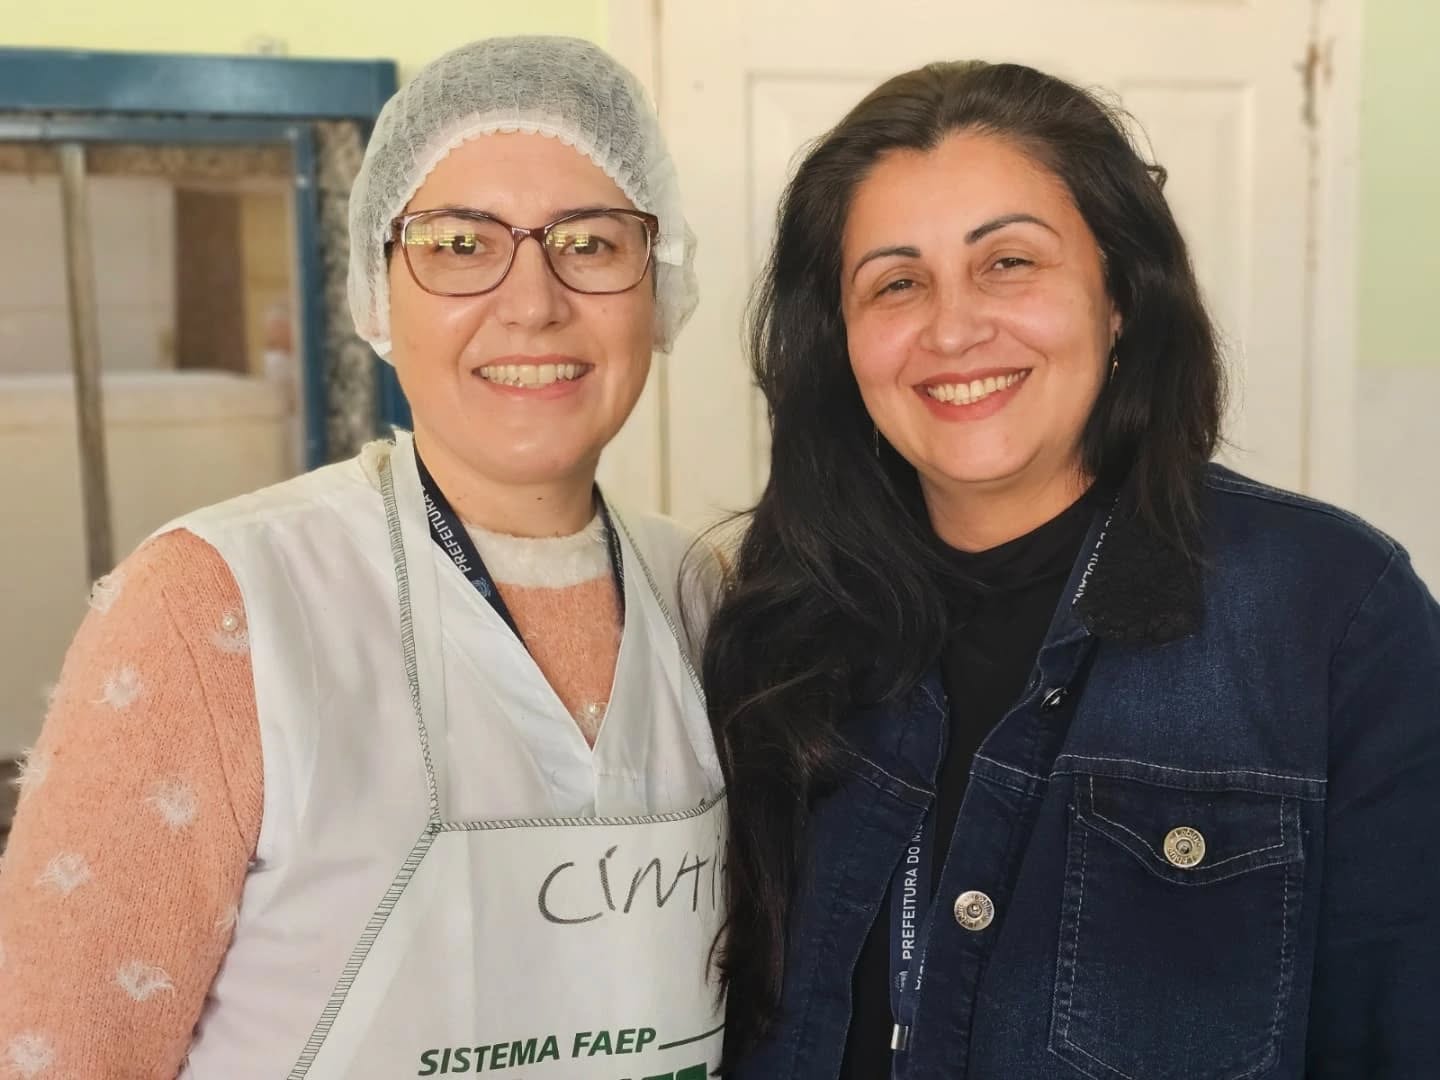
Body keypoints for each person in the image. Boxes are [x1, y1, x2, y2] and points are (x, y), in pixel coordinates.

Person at [0, 36, 726, 1079]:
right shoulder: (217, 607)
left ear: (660, 286)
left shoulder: (708, 600)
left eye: (592, 242)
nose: (533, 301)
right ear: (378, 291)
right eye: (459, 244)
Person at [705, 59, 1440, 1079]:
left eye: (1009, 262)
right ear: (843, 340)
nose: (953, 329)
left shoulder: (1331, 610)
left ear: (1121, 295)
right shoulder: (781, 621)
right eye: (897, 283)